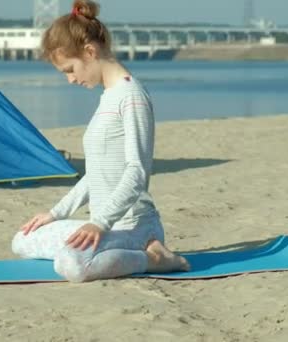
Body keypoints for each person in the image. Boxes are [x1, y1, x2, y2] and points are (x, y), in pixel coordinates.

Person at [11, 0, 190, 282]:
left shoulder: (132, 97)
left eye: (70, 69)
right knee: (23, 238)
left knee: (73, 266)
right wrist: (56, 213)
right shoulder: (108, 96)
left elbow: (137, 173)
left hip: (132, 227)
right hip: (103, 224)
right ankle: (110, 249)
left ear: (90, 52)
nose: (70, 79)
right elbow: (96, 175)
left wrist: (99, 223)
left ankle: (154, 257)